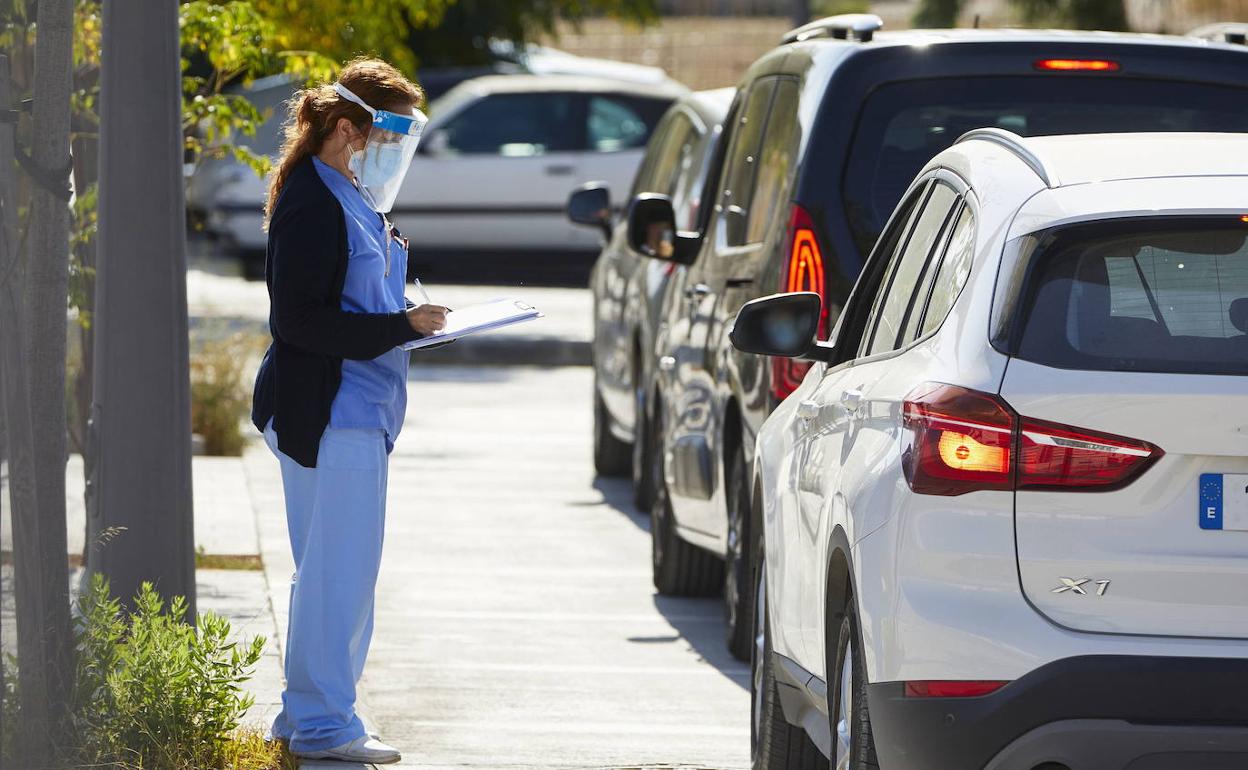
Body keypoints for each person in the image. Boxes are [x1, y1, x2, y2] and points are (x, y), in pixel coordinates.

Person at [250, 58, 446, 764]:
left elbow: (357, 294)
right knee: (340, 576)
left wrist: (406, 315)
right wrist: (405, 327)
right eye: (382, 136)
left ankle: (303, 715)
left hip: (350, 411)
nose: (389, 152)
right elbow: (300, 322)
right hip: (331, 414)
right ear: (344, 128)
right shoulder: (313, 200)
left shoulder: (346, 192)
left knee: (325, 571)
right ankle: (327, 729)